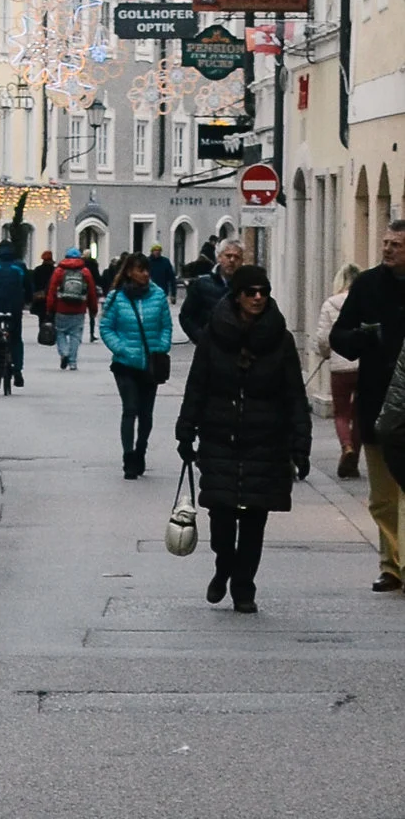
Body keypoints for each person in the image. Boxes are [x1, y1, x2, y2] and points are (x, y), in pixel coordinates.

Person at [175, 262, 312, 613]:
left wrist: (301, 443)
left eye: (263, 292)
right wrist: (186, 428)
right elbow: (198, 385)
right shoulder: (213, 335)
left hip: (266, 439)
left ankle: (244, 585)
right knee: (220, 518)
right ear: (236, 297)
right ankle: (224, 565)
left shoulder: (280, 340)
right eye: (251, 292)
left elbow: (294, 395)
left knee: (254, 519)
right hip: (219, 434)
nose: (258, 298)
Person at [329, 224, 405, 591]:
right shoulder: (368, 285)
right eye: (386, 243)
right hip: (377, 403)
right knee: (382, 496)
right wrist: (360, 337)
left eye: (396, 245)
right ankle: (392, 565)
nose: (388, 250)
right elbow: (338, 337)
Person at [98, 252, 177, 480]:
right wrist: (121, 348)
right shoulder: (116, 298)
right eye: (140, 270)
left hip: (151, 364)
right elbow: (106, 328)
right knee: (130, 408)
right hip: (125, 364)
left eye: (147, 270)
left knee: (146, 412)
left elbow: (166, 326)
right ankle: (129, 456)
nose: (145, 274)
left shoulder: (158, 296)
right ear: (130, 271)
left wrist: (161, 347)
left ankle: (141, 449)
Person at [317, 263, 362, 480]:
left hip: (340, 365)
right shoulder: (366, 302)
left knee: (341, 412)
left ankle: (347, 448)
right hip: (364, 365)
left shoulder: (330, 304)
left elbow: (324, 338)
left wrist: (325, 353)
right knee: (360, 413)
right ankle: (354, 457)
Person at [0, 236, 32, 393]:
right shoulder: (19, 266)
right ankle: (17, 370)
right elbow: (28, 286)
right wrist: (28, 300)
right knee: (16, 337)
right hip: (15, 306)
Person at [44, 239, 100, 371]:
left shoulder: (59, 271)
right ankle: (73, 362)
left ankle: (64, 353)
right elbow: (91, 291)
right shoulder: (85, 272)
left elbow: (51, 290)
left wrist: (50, 308)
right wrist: (93, 308)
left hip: (61, 307)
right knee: (75, 335)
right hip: (79, 308)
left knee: (60, 332)